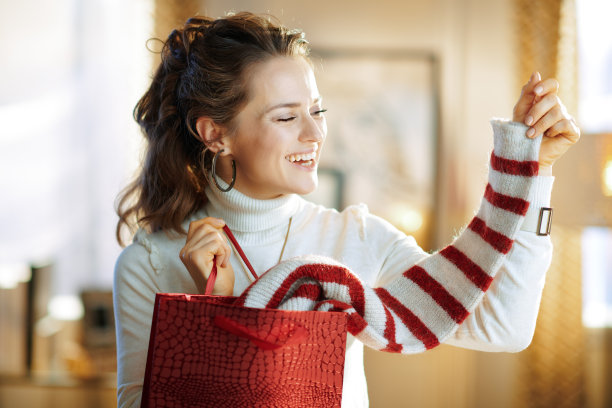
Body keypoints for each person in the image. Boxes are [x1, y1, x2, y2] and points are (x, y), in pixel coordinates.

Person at [113, 11, 580, 408]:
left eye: (316, 111)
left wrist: (534, 177)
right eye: (285, 116)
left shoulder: (356, 238)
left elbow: (504, 328)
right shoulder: (151, 263)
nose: (315, 136)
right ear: (216, 134)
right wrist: (215, 308)